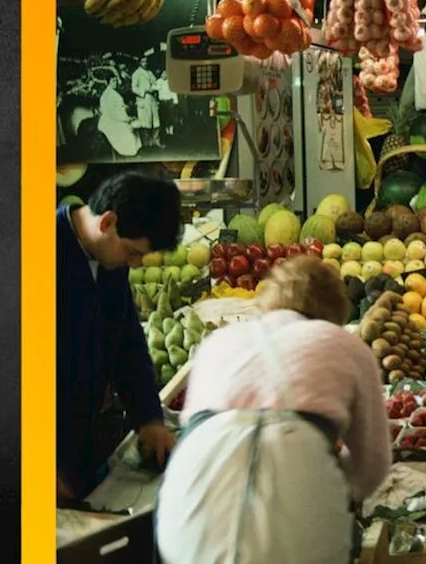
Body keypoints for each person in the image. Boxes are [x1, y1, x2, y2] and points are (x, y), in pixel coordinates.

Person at [155, 255, 391, 564]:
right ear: (335, 308)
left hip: (186, 513)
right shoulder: (344, 344)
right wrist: (327, 478)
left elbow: (190, 429)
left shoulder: (218, 343)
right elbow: (371, 465)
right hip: (295, 519)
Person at [58, 171, 183, 504]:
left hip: (82, 437)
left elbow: (128, 345)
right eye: (132, 252)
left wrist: (149, 419)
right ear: (108, 222)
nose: (136, 263)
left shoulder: (111, 266)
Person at [96, 79, 141, 157]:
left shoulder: (113, 93)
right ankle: (130, 153)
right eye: (113, 81)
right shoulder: (107, 95)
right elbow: (113, 112)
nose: (116, 82)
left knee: (135, 125)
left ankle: (136, 150)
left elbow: (119, 109)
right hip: (111, 120)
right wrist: (127, 119)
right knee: (127, 131)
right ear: (108, 82)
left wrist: (125, 111)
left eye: (116, 80)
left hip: (116, 118)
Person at [131, 57, 161, 147]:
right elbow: (134, 88)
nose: (145, 63)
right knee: (145, 122)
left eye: (146, 61)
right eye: (143, 61)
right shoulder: (136, 74)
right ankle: (147, 143)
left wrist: (155, 87)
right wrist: (145, 90)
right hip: (143, 100)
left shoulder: (150, 73)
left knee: (156, 121)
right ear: (139, 63)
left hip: (152, 99)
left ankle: (156, 141)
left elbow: (156, 83)